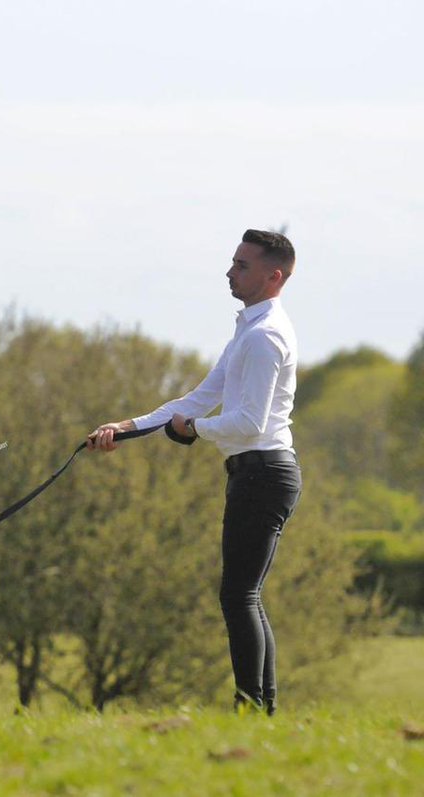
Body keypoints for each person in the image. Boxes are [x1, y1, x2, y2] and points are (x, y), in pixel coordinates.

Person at [87, 229, 301, 716]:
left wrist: (193, 430)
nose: (230, 272)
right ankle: (259, 710)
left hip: (265, 472)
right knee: (245, 595)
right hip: (254, 471)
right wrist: (127, 427)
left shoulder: (266, 336)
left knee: (240, 595)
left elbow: (250, 422)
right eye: (233, 262)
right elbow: (198, 398)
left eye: (242, 266)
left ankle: (252, 708)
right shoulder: (248, 330)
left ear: (274, 276)